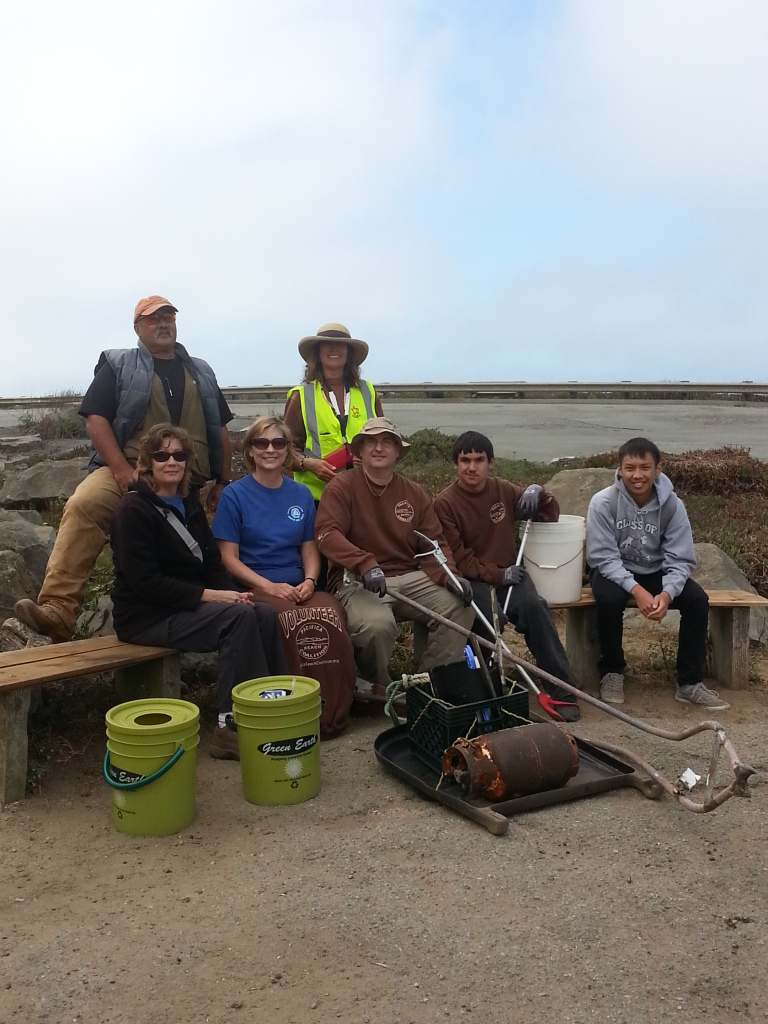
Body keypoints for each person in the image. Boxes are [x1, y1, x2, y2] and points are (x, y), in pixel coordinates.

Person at [15, 295, 233, 642]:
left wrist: (223, 480)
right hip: (130, 468)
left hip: (184, 477)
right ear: (137, 327)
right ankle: (58, 610)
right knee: (84, 504)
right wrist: (118, 467)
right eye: (153, 319)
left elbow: (219, 426)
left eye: (168, 316)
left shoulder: (201, 370)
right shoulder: (117, 363)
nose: (163, 324)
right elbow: (96, 418)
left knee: (213, 533)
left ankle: (219, 607)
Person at [109, 424, 288, 760]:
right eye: (162, 455)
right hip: (147, 617)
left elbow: (211, 566)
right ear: (147, 462)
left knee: (261, 611)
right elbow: (145, 583)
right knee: (235, 619)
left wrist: (233, 593)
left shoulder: (187, 504)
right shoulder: (132, 511)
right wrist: (212, 597)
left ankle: (272, 705)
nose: (171, 461)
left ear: (187, 461)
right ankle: (228, 726)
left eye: (179, 455)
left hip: (185, 607)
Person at [212, 416, 357, 739]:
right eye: (261, 443)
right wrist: (268, 586)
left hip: (298, 584)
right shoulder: (234, 496)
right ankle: (288, 710)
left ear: (287, 450)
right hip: (256, 585)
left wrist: (309, 580)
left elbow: (309, 548)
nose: (270, 450)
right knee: (288, 621)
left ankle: (333, 710)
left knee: (330, 614)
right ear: (249, 450)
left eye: (278, 443)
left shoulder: (301, 495)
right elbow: (228, 559)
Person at [315, 417, 475, 688]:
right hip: (358, 580)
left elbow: (433, 542)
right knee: (377, 626)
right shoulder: (341, 487)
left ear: (398, 451)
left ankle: (427, 682)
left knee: (461, 604)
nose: (379, 448)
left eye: (387, 442)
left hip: (408, 576)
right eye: (371, 442)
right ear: (360, 451)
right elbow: (326, 535)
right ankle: (378, 688)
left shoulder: (413, 492)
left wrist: (450, 575)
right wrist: (364, 563)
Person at [433, 431, 580, 722]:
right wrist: (499, 575)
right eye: (465, 460)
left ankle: (562, 692)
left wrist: (540, 492)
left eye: (479, 460)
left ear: (491, 462)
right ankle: (490, 694)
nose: (471, 467)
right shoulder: (445, 503)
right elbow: (461, 560)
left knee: (535, 609)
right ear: (455, 464)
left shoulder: (504, 490)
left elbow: (548, 516)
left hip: (512, 576)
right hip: (475, 580)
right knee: (490, 620)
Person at [586, 436, 728, 710]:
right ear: (619, 469)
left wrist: (667, 592)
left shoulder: (673, 506)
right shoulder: (602, 503)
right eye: (629, 468)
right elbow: (603, 556)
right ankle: (612, 672)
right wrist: (636, 590)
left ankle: (689, 683)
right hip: (613, 570)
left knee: (697, 600)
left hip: (656, 569)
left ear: (658, 469)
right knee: (609, 599)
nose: (637, 475)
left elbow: (681, 558)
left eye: (644, 467)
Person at [283, 322, 384, 501]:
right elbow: (285, 449)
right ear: (318, 353)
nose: (334, 349)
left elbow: (384, 440)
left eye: (340, 344)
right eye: (327, 344)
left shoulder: (368, 392)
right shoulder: (300, 396)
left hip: (364, 495)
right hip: (315, 499)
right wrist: (308, 464)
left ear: (349, 352)